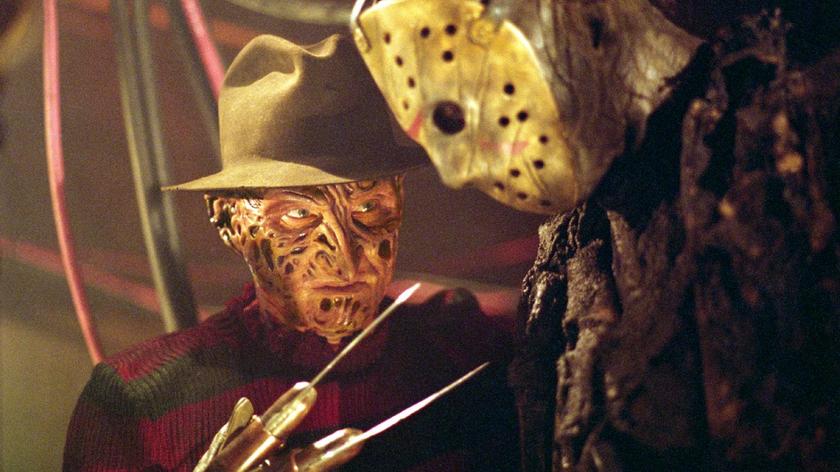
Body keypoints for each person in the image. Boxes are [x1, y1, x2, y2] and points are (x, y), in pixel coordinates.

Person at [63, 34, 518, 471]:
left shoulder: (466, 351)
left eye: (368, 208)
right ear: (230, 220)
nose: (346, 257)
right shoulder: (141, 403)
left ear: (400, 202)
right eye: (298, 216)